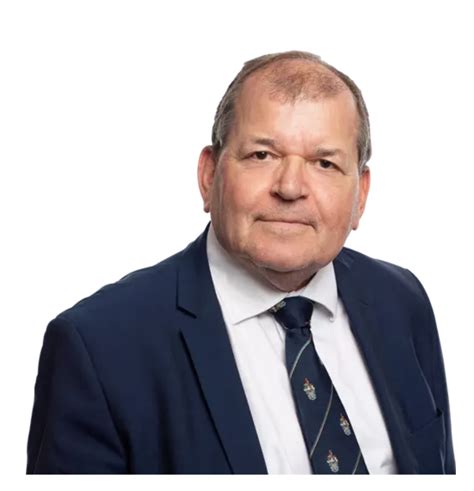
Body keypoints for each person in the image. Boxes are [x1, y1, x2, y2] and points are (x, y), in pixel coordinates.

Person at [26, 50, 455, 474]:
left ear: (360, 194)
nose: (290, 187)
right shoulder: (98, 347)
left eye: (324, 163)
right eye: (262, 155)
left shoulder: (402, 301)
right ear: (209, 175)